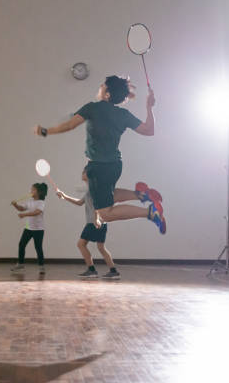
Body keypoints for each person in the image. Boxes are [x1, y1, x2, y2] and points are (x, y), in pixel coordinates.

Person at [36, 75, 166, 234]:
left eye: (103, 86)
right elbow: (149, 130)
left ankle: (151, 213)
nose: (100, 87)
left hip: (99, 167)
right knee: (109, 194)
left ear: (108, 94)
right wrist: (149, 107)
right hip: (114, 165)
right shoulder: (123, 114)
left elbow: (69, 126)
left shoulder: (92, 108)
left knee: (105, 213)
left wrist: (45, 131)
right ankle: (142, 195)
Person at [10, 183, 48, 274]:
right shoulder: (30, 201)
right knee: (21, 245)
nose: (31, 191)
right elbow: (21, 209)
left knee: (38, 247)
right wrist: (15, 205)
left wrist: (24, 215)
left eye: (33, 190)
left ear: (39, 192)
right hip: (28, 228)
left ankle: (41, 266)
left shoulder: (41, 203)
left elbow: (37, 212)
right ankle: (20, 264)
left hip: (38, 229)